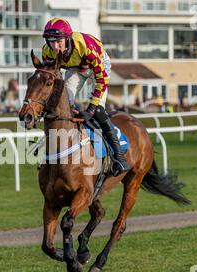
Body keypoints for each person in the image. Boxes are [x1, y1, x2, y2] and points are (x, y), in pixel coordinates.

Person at [41, 17, 130, 176]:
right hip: (77, 69)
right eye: (51, 41)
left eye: (59, 41)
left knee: (98, 111)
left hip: (98, 67)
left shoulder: (85, 47)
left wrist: (91, 108)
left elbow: (101, 80)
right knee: (63, 105)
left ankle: (119, 157)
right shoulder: (47, 52)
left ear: (67, 38)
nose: (55, 46)